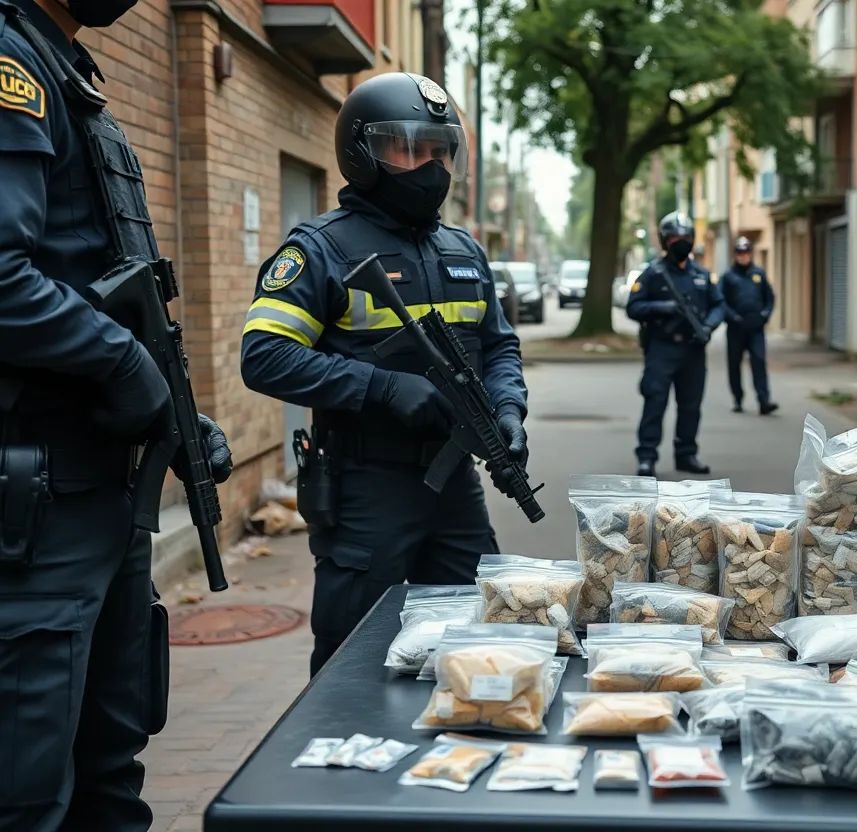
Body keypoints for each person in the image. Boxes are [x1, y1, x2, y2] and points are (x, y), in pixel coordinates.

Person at [0, 0, 233, 829]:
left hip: (101, 497)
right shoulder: (10, 61)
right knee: (26, 796)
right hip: (34, 508)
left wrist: (176, 413)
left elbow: (118, 288)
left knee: (110, 769)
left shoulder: (66, 71)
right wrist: (129, 368)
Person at [240, 72, 528, 677]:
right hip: (365, 483)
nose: (429, 165)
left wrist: (507, 411)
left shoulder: (464, 252)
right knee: (353, 661)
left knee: (480, 640)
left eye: (440, 150)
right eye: (409, 147)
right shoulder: (319, 249)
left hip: (454, 488)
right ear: (362, 152)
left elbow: (500, 348)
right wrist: (384, 387)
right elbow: (265, 354)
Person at [626, 211, 725, 477]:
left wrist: (708, 326)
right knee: (655, 403)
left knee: (691, 405)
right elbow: (633, 307)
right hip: (662, 348)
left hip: (693, 350)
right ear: (664, 241)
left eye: (685, 237)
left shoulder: (703, 275)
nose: (680, 242)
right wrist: (661, 307)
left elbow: (719, 305)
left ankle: (686, 454)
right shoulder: (653, 274)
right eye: (674, 238)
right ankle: (646, 457)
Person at [720, 236, 778, 415]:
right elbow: (720, 301)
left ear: (750, 254)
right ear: (735, 255)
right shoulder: (728, 277)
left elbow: (770, 298)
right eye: (740, 253)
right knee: (734, 365)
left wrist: (765, 315)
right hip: (736, 328)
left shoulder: (758, 274)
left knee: (759, 362)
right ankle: (737, 398)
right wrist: (732, 316)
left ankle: (764, 401)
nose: (743, 256)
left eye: (746, 253)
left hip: (755, 328)